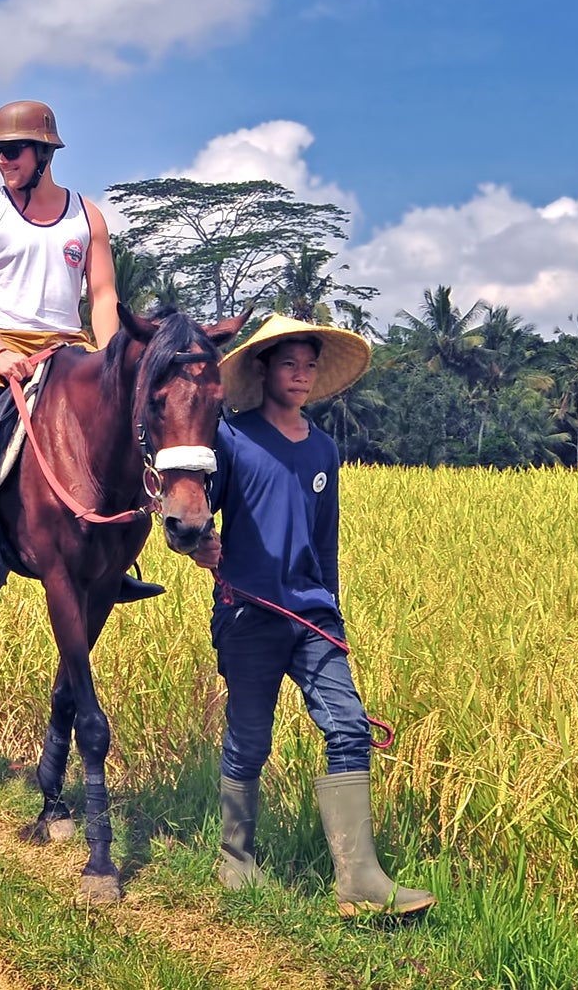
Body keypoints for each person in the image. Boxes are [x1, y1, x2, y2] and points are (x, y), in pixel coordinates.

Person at [188, 314, 435, 917]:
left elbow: (326, 546)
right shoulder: (231, 439)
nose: (300, 375)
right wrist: (199, 546)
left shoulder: (324, 449)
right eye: (288, 363)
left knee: (349, 728)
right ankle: (235, 860)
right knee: (251, 739)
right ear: (264, 369)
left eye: (308, 365)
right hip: (249, 612)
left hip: (313, 618)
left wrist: (337, 618)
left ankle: (359, 881)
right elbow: (195, 515)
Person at [0, 99, 160, 604]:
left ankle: (120, 554)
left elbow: (105, 294)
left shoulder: (86, 215)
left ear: (44, 152)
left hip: (67, 344)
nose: (2, 160)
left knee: (118, 419)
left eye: (11, 150)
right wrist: (0, 354)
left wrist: (111, 357)